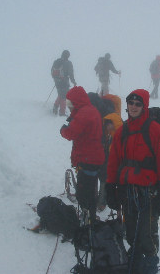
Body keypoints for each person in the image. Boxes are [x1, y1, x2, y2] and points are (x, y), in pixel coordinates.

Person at [105, 89, 160, 274]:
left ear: (144, 106)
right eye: (131, 103)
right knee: (130, 231)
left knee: (146, 234)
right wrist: (110, 186)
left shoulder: (155, 129)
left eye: (138, 104)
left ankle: (150, 266)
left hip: (149, 192)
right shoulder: (123, 131)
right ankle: (134, 265)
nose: (134, 106)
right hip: (128, 190)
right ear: (127, 105)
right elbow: (114, 161)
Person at [60, 86, 105, 223]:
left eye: (70, 103)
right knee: (89, 187)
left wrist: (63, 130)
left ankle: (88, 217)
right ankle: (89, 215)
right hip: (92, 157)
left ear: (77, 102)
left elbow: (71, 133)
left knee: (85, 190)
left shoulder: (84, 113)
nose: (69, 106)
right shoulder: (89, 110)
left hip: (88, 158)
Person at [97, 94, 123, 212]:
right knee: (105, 177)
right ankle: (103, 200)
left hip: (108, 156)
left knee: (104, 177)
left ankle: (102, 201)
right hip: (108, 156)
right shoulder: (115, 115)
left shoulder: (108, 118)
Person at [51, 50, 76, 116]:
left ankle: (55, 107)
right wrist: (73, 81)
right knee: (64, 96)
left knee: (60, 94)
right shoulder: (68, 63)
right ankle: (62, 112)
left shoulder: (56, 61)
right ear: (68, 56)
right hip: (64, 81)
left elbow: (51, 71)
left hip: (57, 81)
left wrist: (56, 79)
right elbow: (71, 73)